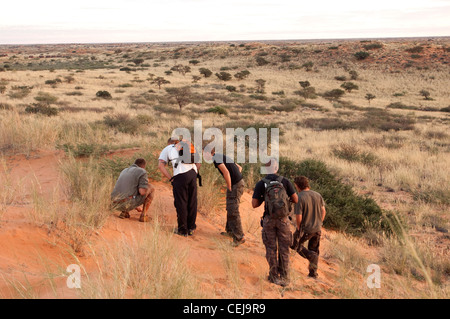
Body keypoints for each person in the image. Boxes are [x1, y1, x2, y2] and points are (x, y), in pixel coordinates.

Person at [252, 158, 298, 286]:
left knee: (271, 248)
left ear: (266, 169)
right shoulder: (285, 181)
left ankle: (273, 276)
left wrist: (265, 198)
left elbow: (254, 204)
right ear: (276, 168)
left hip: (269, 220)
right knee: (284, 248)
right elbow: (296, 199)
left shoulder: (261, 183)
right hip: (283, 220)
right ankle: (285, 277)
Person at [204, 147, 245, 247]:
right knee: (230, 207)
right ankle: (230, 231)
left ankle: (239, 237)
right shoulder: (220, 156)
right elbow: (239, 167)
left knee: (233, 209)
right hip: (238, 183)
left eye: (204, 154)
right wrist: (236, 177)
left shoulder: (216, 158)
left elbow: (226, 172)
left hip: (235, 185)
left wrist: (230, 185)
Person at [158, 137, 199, 237]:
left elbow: (161, 165)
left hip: (180, 176)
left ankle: (182, 230)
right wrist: (194, 173)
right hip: (193, 174)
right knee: (192, 201)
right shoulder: (188, 146)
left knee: (181, 202)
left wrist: (171, 178)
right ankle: (191, 228)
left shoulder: (167, 148)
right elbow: (198, 162)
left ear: (169, 143)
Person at [291, 176, 326, 278]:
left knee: (295, 244)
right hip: (317, 228)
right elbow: (323, 211)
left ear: (297, 186)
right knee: (314, 249)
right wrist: (319, 222)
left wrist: (299, 228)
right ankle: (313, 274)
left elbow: (298, 216)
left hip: (306, 229)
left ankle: (310, 256)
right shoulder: (317, 195)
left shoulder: (300, 197)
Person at [111, 158, 154, 222]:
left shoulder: (124, 170)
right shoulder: (142, 171)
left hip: (116, 203)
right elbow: (142, 192)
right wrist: (145, 184)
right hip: (128, 202)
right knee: (151, 187)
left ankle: (125, 212)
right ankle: (143, 215)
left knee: (129, 188)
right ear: (143, 166)